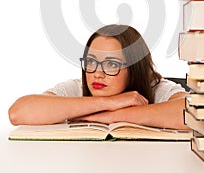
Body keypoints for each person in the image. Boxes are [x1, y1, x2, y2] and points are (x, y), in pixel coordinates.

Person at [8, 24, 188, 129]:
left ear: (134, 68)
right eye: (91, 62)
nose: (97, 73)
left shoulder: (157, 88)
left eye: (112, 64)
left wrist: (115, 115)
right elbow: (18, 113)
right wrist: (107, 103)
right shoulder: (76, 88)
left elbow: (194, 113)